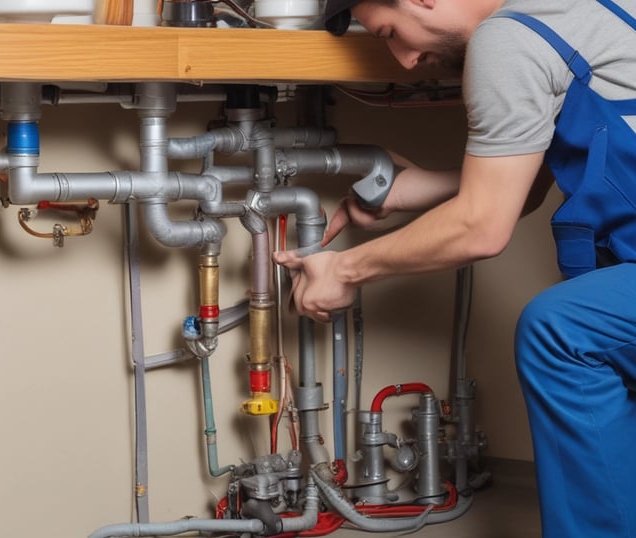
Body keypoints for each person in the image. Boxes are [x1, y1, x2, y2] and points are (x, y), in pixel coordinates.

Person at [272, 0, 636, 536]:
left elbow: (482, 226)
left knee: (561, 329)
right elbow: (522, 182)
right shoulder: (576, 11)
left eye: (392, 33)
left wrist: (344, 270)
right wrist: (411, 193)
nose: (404, 61)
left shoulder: (507, 37)